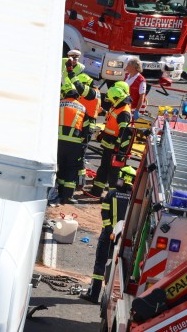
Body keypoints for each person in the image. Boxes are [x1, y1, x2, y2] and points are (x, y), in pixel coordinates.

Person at [80, 165, 136, 304]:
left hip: (108, 235)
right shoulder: (134, 198)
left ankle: (94, 295)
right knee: (119, 269)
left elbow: (104, 212)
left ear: (123, 178)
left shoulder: (112, 193)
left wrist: (109, 229)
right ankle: (114, 299)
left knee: (100, 264)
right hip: (124, 239)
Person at [89, 86, 133, 198]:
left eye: (111, 100)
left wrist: (120, 151)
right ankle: (96, 191)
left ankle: (112, 197)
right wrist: (103, 135)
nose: (110, 102)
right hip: (109, 146)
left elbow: (124, 134)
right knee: (103, 169)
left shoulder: (124, 113)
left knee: (114, 175)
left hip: (116, 150)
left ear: (117, 98)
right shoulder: (117, 107)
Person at [55, 80, 90, 205]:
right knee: (71, 169)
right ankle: (67, 197)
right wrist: (84, 144)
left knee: (60, 168)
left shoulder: (57, 104)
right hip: (75, 144)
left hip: (58, 142)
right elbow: (87, 129)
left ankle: (57, 193)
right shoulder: (82, 108)